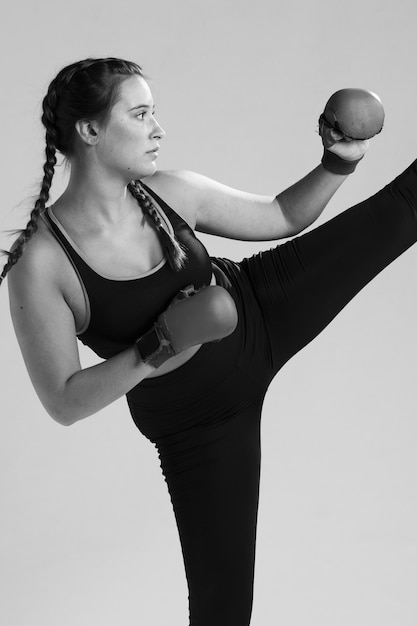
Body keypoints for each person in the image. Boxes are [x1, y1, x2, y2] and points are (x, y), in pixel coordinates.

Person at [2, 57, 416, 626]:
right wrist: (163, 343)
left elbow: (280, 215)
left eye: (155, 113)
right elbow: (64, 400)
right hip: (198, 423)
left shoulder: (172, 192)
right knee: (223, 610)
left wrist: (337, 161)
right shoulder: (42, 264)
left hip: (261, 309)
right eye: (141, 113)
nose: (158, 129)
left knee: (403, 211)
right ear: (90, 130)